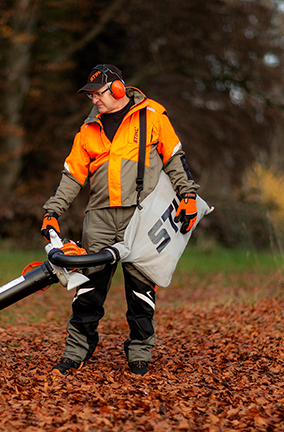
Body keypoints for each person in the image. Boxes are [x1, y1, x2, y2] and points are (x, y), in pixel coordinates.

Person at [41, 64, 199, 376]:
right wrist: (52, 211)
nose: (94, 100)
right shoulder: (89, 130)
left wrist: (189, 196)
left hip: (142, 218)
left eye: (99, 93)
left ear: (117, 89)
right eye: (91, 96)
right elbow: (72, 175)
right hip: (99, 220)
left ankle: (140, 353)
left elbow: (174, 159)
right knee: (88, 290)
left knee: (141, 291)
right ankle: (75, 352)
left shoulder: (152, 115)